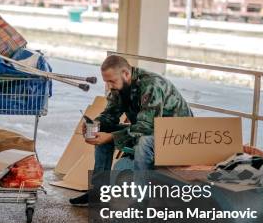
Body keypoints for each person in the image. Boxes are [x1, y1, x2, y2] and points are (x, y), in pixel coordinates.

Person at [69, 54, 193, 207]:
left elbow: (146, 128)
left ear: (126, 74)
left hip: (178, 136)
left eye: (111, 81)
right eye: (106, 82)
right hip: (154, 130)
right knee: (105, 128)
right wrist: (96, 124)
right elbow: (111, 114)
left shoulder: (150, 85)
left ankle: (142, 201)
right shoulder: (119, 86)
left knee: (144, 142)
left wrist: (110, 138)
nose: (109, 86)